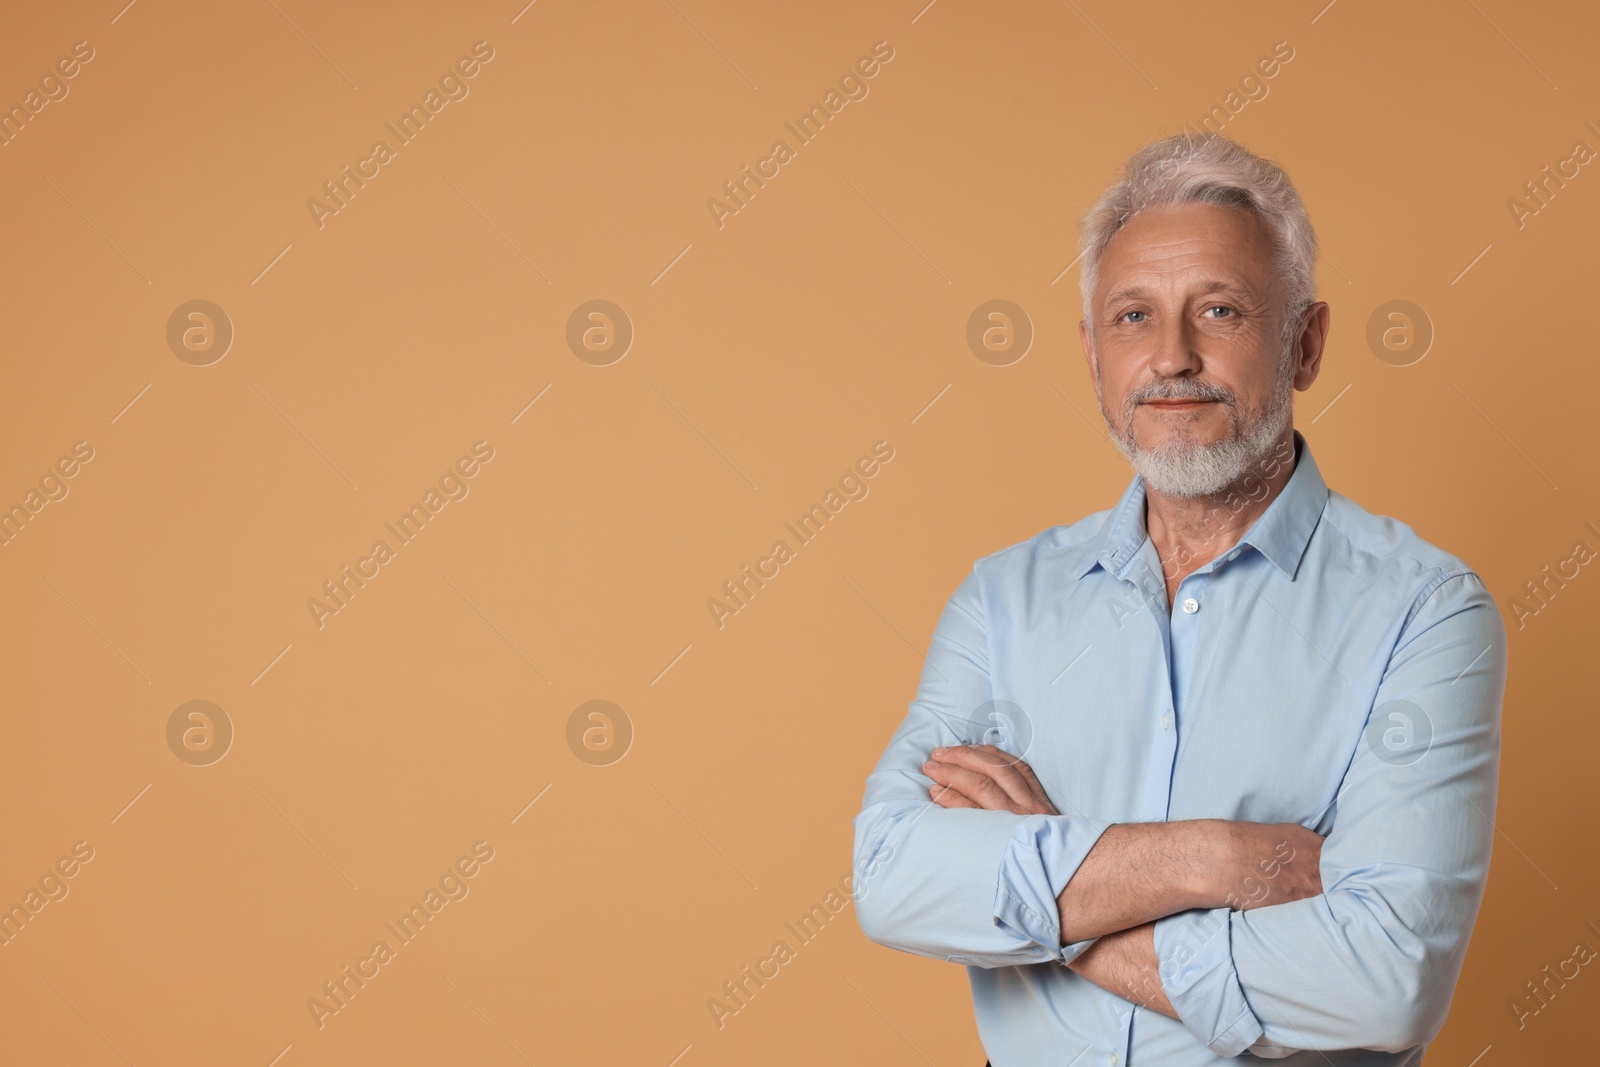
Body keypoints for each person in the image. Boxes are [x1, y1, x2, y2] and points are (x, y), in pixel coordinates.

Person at [851, 131, 1507, 1066]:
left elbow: (1384, 984)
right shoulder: (1002, 598)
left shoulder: (1429, 612)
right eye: (1132, 317)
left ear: (1306, 343)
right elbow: (891, 877)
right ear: (1092, 355)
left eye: (1222, 310)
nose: (1172, 357)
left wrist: (1047, 890)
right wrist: (1214, 860)